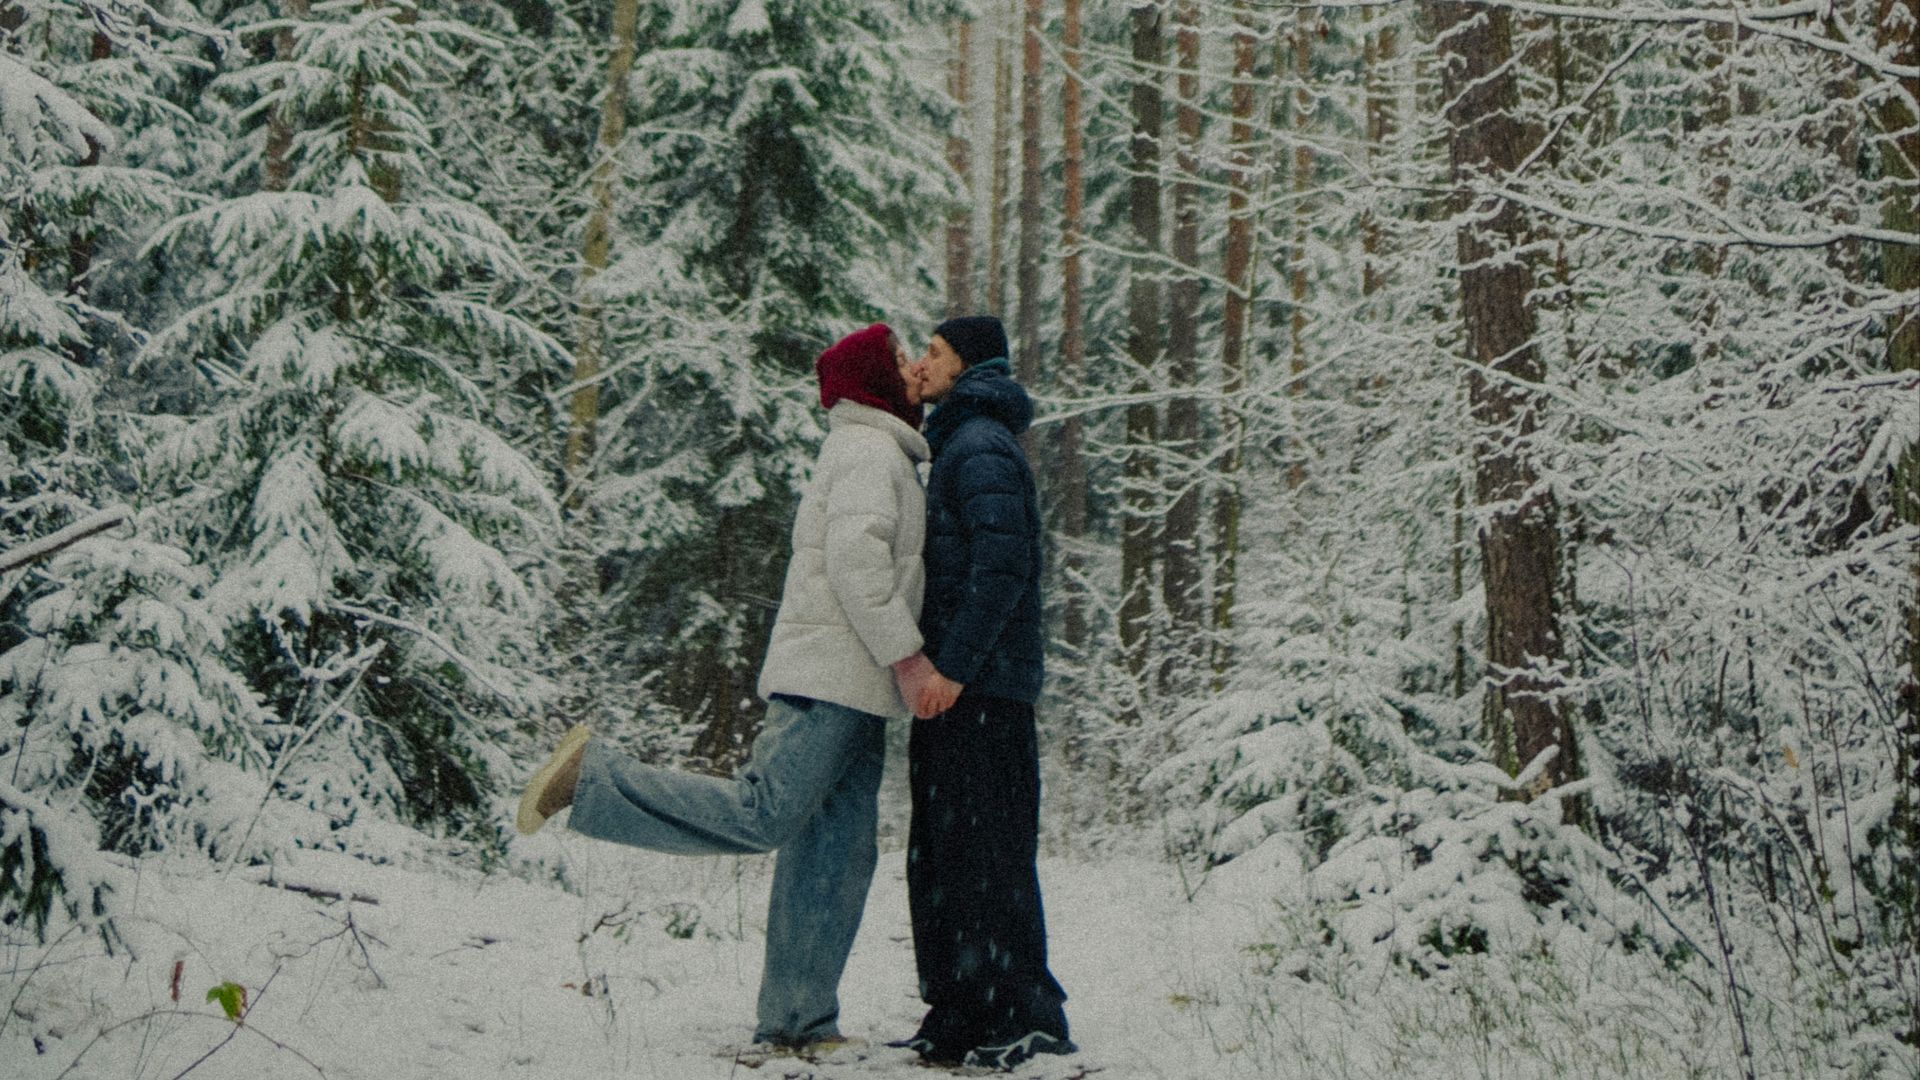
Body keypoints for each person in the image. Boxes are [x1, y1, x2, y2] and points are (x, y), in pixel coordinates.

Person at [516, 323, 943, 1053]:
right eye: (901, 362)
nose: (912, 372)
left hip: (852, 682)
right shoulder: (872, 452)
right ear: (874, 382)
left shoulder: (879, 452)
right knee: (763, 813)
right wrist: (909, 658)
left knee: (833, 852)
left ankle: (798, 1021)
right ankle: (594, 780)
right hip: (831, 676)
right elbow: (856, 564)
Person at [889, 315, 1075, 1070]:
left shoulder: (982, 446)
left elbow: (1003, 570)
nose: (922, 365)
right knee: (944, 854)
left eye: (933, 353)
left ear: (965, 367)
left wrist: (955, 669)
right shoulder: (960, 443)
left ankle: (1026, 1015)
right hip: (956, 688)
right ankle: (962, 1009)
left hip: (983, 690)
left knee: (989, 853)